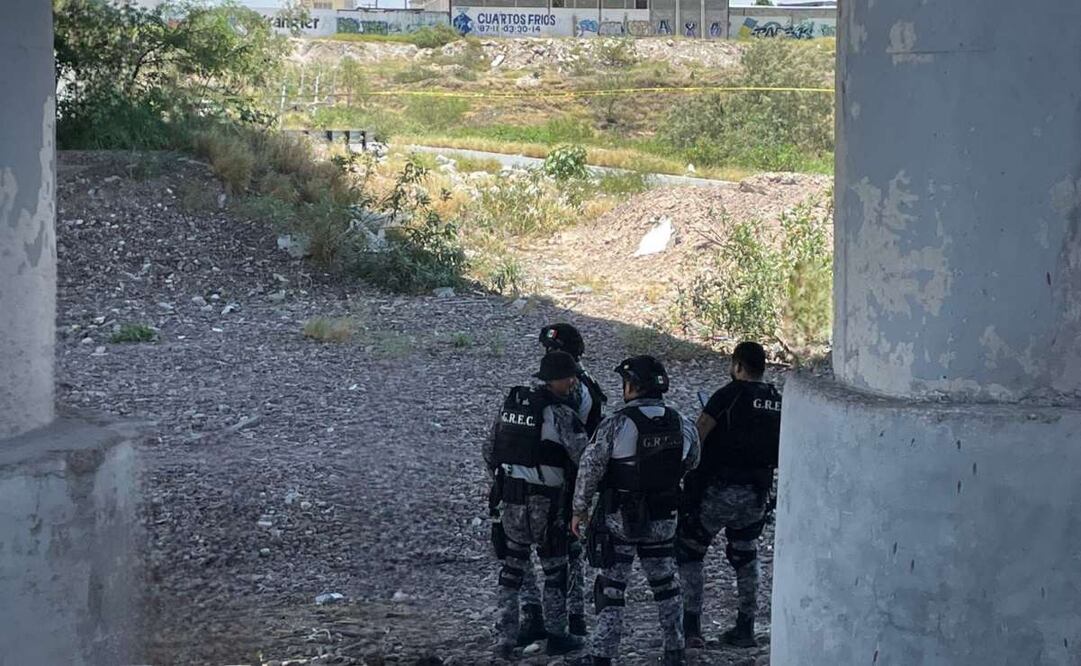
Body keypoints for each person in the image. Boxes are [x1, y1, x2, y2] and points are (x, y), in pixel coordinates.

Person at [570, 356, 701, 666]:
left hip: (621, 519)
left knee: (612, 587)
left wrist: (580, 510)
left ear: (631, 386)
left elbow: (590, 469)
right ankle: (674, 649)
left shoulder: (616, 423)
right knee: (666, 585)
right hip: (664, 516)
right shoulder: (682, 422)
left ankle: (602, 655)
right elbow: (692, 461)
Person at [676, 341, 782, 649]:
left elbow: (698, 436)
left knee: (691, 551)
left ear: (737, 366)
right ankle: (745, 627)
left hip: (717, 492)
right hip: (756, 494)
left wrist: (684, 477)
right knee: (746, 555)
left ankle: (692, 627)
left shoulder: (727, 395)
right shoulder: (777, 400)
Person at [484, 351, 590, 659]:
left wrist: (505, 481)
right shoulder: (561, 414)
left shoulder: (511, 405)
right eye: (568, 377)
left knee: (511, 569)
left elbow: (488, 450)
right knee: (555, 569)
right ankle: (557, 635)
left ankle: (505, 638)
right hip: (546, 503)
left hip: (511, 500)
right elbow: (584, 459)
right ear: (555, 379)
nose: (572, 383)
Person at [517, 323, 609, 645]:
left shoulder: (575, 388)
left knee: (564, 551)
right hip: (558, 478)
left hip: (565, 479)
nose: (549, 354)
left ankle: (566, 619)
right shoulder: (577, 384)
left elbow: (579, 443)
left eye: (554, 350)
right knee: (560, 552)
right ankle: (567, 619)